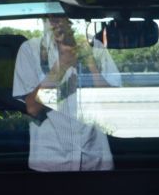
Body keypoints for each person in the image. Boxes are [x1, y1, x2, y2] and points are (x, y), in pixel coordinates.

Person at [13, 15, 121, 172]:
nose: (58, 22)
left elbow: (113, 104)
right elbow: (32, 108)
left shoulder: (95, 46)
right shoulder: (30, 50)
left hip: (96, 161)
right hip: (50, 163)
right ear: (44, 20)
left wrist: (90, 63)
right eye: (52, 17)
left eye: (65, 16)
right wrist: (61, 65)